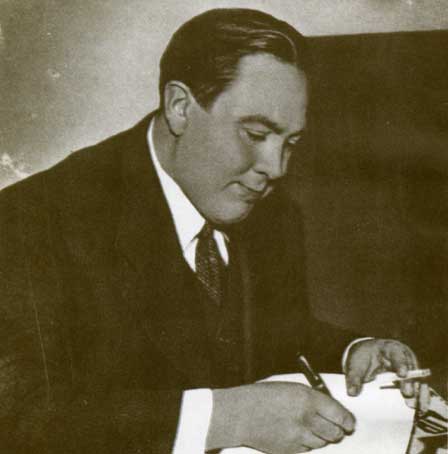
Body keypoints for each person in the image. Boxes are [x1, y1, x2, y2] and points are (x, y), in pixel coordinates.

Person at [0, 8, 419, 454]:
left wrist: (353, 351)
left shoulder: (272, 213)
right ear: (180, 107)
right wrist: (225, 417)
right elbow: (19, 415)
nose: (275, 168)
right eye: (255, 134)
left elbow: (275, 333)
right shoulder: (31, 223)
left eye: (291, 143)